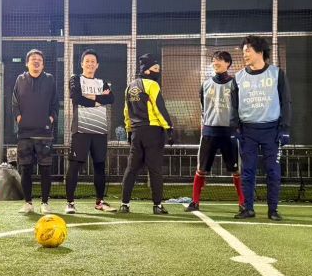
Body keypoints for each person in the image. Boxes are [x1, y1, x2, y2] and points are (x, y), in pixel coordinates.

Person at [234, 36, 292, 221]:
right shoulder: (238, 77)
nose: (245, 55)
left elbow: (286, 102)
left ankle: (273, 210)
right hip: (248, 132)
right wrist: (236, 128)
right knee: (247, 172)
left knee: (273, 171)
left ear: (260, 51)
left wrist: (285, 129)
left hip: (271, 131)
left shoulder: (277, 74)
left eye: (248, 51)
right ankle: (248, 209)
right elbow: (234, 105)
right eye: (244, 52)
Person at [184, 50, 245, 213]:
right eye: (214, 60)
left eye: (220, 60)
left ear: (228, 63)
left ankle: (243, 203)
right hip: (209, 132)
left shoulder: (235, 84)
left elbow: (239, 107)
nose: (216, 62)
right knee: (201, 169)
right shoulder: (205, 84)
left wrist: (236, 127)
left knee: (236, 170)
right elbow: (203, 107)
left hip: (229, 133)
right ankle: (195, 202)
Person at [119, 53, 174, 215]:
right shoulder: (152, 85)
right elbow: (159, 109)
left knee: (131, 169)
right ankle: (157, 206)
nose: (158, 71)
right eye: (156, 68)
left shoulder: (129, 87)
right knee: (155, 170)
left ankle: (124, 204)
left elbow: (126, 112)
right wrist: (169, 128)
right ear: (147, 70)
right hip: (153, 132)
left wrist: (129, 131)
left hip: (136, 133)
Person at [65, 49, 116, 214]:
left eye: (93, 61)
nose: (90, 64)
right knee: (74, 166)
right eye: (87, 61)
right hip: (81, 130)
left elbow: (111, 98)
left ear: (97, 65)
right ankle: (70, 203)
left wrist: (91, 97)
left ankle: (100, 202)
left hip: (99, 130)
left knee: (100, 166)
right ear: (82, 64)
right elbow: (76, 97)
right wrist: (99, 100)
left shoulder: (102, 82)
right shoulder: (75, 79)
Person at [11, 49, 59, 214]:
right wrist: (19, 118)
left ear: (43, 64)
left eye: (39, 59)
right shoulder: (20, 79)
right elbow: (14, 103)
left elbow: (55, 103)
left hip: (44, 134)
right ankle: (28, 203)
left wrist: (50, 118)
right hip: (25, 134)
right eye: (33, 59)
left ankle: (45, 202)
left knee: (45, 169)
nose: (36, 61)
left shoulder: (50, 79)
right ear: (27, 63)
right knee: (25, 169)